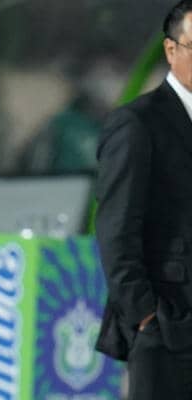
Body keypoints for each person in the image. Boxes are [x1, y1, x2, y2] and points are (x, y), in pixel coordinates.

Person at [95, 1, 192, 398]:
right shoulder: (137, 123)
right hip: (168, 327)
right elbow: (116, 230)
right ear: (171, 49)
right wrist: (146, 316)